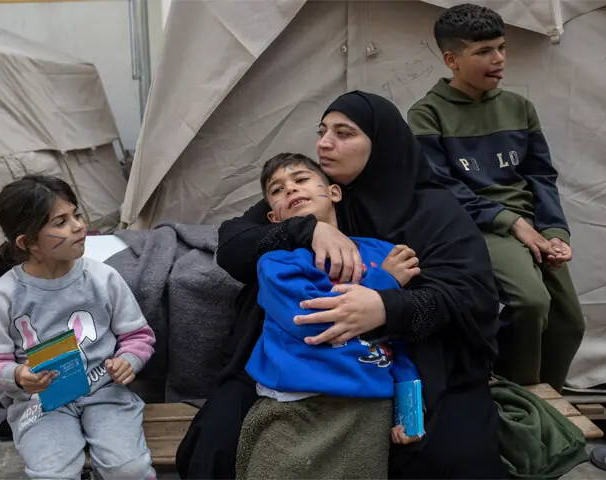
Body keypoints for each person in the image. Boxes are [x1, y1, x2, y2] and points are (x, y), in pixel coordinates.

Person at [177, 91, 506, 479]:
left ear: (379, 143)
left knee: (446, 457)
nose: (324, 143)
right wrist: (306, 229)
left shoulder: (434, 212)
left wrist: (385, 308)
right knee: (215, 446)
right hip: (295, 354)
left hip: (411, 356)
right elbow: (233, 244)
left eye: (343, 133)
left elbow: (470, 296)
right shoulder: (310, 196)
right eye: (322, 132)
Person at [406, 3, 585, 391]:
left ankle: (545, 398)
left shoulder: (519, 107)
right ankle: (515, 393)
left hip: (530, 224)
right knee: (530, 302)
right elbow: (441, 189)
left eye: (502, 47)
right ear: (451, 59)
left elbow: (541, 175)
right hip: (479, 225)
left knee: (570, 321)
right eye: (484, 51)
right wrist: (511, 223)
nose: (499, 59)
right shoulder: (427, 115)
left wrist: (555, 232)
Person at [236, 153, 422, 479]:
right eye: (277, 189)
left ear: (334, 192)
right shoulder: (277, 263)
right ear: (274, 217)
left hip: (367, 404)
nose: (290, 189)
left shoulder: (382, 253)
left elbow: (398, 335)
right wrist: (385, 285)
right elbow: (315, 322)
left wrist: (410, 411)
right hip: (294, 405)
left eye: (301, 179)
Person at [0, 175, 157, 480]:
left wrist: (129, 360)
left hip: (106, 394)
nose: (78, 226)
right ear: (28, 242)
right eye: (61, 221)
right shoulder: (3, 297)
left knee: (130, 469)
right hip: (41, 405)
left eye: (77, 214)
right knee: (52, 474)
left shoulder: (104, 278)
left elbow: (138, 336)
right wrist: (17, 376)